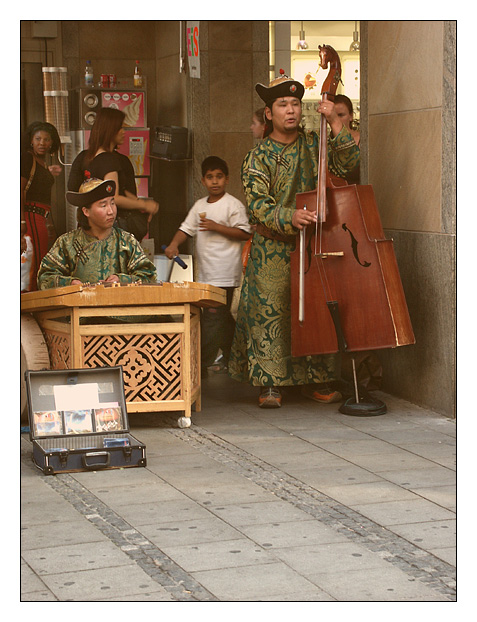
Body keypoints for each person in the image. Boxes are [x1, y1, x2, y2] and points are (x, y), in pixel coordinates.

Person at [228, 74, 360, 408]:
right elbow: (257, 206)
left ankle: (316, 379)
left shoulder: (315, 143)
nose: (291, 110)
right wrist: (290, 217)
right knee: (271, 313)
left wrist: (334, 122)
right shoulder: (257, 157)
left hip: (315, 244)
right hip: (272, 247)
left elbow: (349, 164)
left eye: (296, 103)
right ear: (269, 114)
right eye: (283, 105)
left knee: (315, 311)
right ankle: (270, 384)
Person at [164, 156, 251, 374]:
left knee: (213, 320)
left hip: (225, 275)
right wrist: (174, 244)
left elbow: (244, 232)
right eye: (210, 177)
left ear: (227, 179)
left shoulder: (233, 205)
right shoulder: (199, 206)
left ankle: (198, 366)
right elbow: (186, 228)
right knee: (219, 319)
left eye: (219, 177)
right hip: (205, 274)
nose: (215, 181)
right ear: (203, 181)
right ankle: (238, 361)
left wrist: (216, 226)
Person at [37, 178, 156, 290]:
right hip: (79, 309)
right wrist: (70, 283)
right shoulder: (67, 243)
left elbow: (149, 276)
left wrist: (122, 280)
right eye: (103, 205)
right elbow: (44, 278)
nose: (111, 211)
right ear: (86, 211)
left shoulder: (126, 241)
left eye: (112, 203)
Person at [68, 107, 158, 241]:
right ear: (109, 130)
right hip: (112, 228)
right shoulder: (110, 159)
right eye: (120, 128)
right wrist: (144, 205)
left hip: (87, 226)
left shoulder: (82, 157)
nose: (123, 132)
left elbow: (73, 189)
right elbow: (114, 197)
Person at [21, 121, 62, 291]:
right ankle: (29, 308)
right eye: (38, 139)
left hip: (40, 218)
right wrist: (21, 223)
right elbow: (19, 190)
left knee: (38, 261)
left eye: (47, 140)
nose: (42, 143)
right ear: (31, 140)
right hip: (30, 217)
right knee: (33, 264)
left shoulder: (41, 162)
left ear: (52, 143)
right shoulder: (27, 158)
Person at [334, 94, 360, 183]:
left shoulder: (363, 140)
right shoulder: (325, 142)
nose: (337, 120)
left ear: (351, 116)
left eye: (341, 115)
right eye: (334, 116)